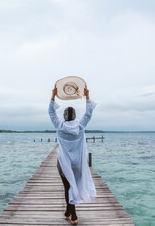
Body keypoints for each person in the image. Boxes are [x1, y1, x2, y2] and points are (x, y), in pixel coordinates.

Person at [48, 85, 97, 225]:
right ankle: (68, 212)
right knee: (71, 185)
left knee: (67, 187)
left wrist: (53, 95)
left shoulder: (60, 126)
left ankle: (73, 215)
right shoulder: (80, 126)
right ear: (75, 116)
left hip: (63, 163)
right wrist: (87, 95)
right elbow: (89, 113)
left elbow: (51, 112)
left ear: (64, 116)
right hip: (77, 163)